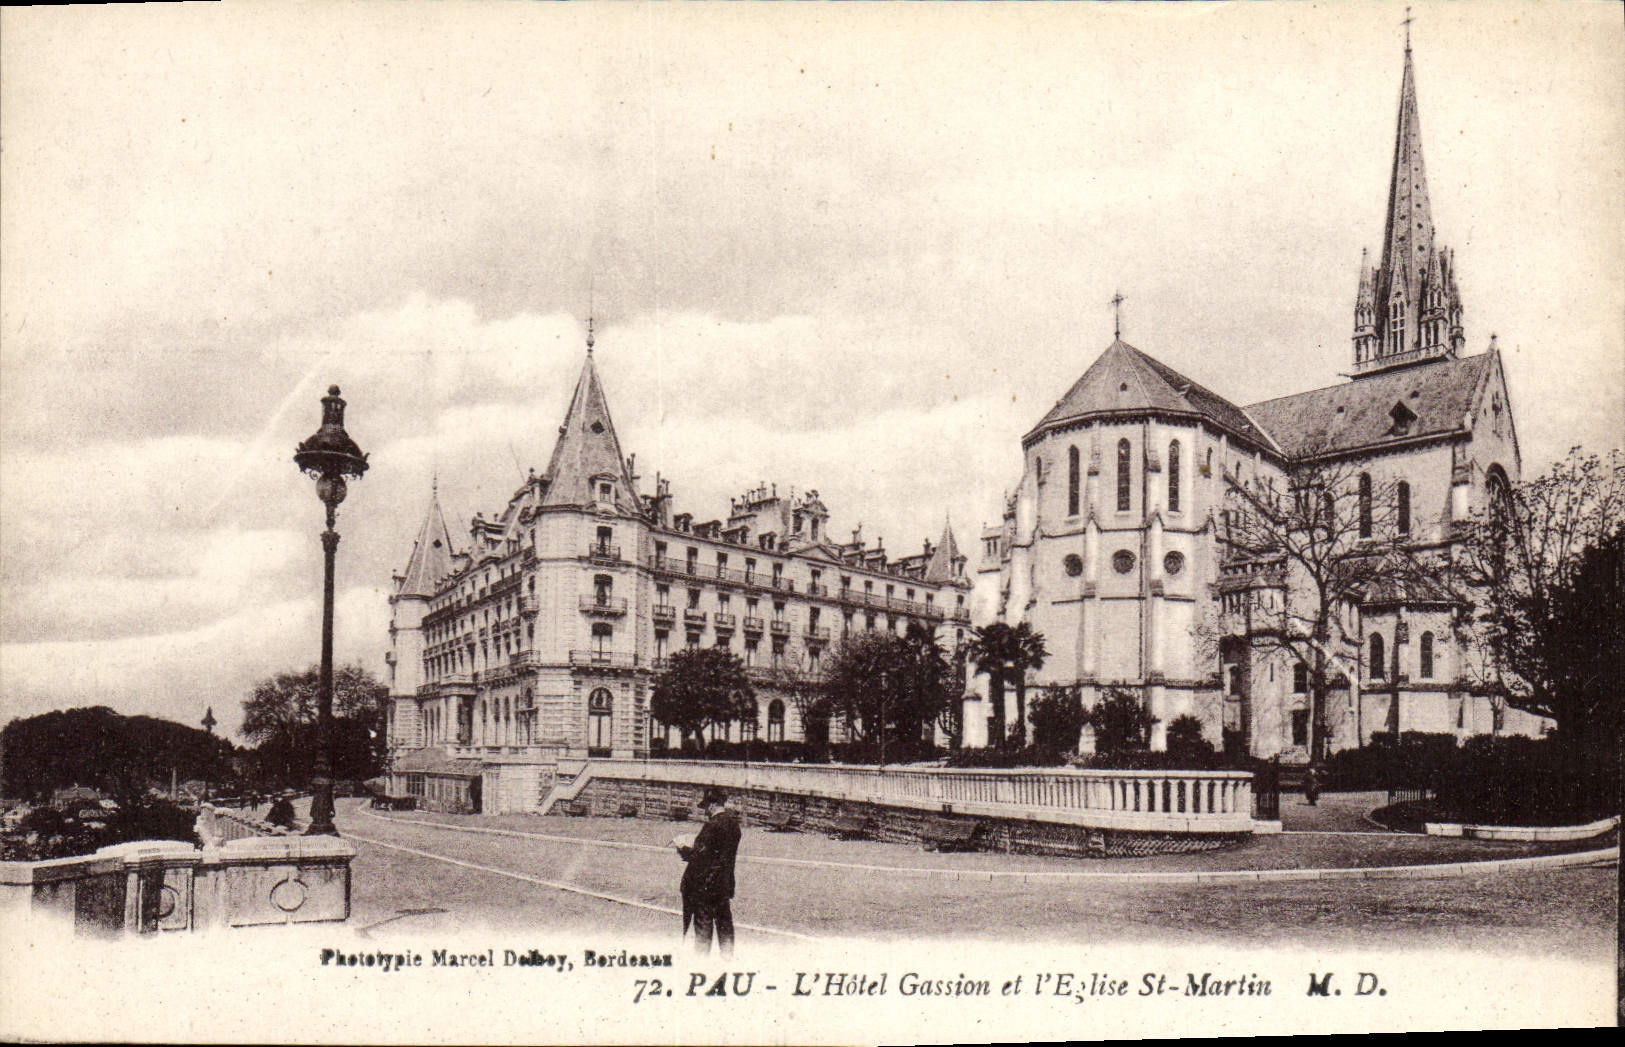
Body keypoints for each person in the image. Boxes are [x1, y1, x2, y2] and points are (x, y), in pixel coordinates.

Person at [677, 788, 741, 956]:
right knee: (724, 923)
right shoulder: (734, 825)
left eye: (706, 807)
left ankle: (701, 963)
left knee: (703, 925)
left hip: (705, 885)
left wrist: (683, 849)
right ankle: (727, 958)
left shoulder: (711, 826)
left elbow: (699, 856)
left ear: (712, 805)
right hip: (724, 883)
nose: (705, 811)